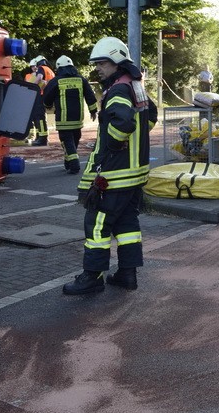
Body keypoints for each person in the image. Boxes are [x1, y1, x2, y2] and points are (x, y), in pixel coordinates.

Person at [63, 37, 158, 295]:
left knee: (96, 224)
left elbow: (123, 123)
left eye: (102, 63)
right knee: (126, 224)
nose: (98, 68)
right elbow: (151, 116)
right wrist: (135, 144)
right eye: (96, 64)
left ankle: (92, 277)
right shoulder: (135, 86)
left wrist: (113, 146)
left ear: (117, 61)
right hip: (135, 173)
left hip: (115, 174)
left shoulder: (117, 90)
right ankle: (127, 274)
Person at [43, 55, 99, 174]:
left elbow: (47, 97)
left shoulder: (56, 81)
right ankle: (68, 163)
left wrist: (48, 106)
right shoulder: (81, 79)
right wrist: (93, 111)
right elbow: (90, 95)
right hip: (77, 119)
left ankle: (74, 166)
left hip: (63, 119)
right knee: (74, 140)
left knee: (67, 142)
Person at [28, 56, 55, 145]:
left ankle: (42, 138)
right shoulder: (50, 70)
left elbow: (39, 78)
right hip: (48, 95)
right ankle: (40, 137)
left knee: (40, 117)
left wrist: (32, 87)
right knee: (40, 117)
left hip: (41, 94)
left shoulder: (41, 68)